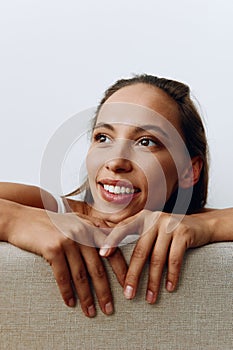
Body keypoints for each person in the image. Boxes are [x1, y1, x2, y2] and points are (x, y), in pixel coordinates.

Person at [0, 74, 232, 318]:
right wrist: (14, 219)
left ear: (188, 171)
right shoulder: (52, 208)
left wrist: (208, 225)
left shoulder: (191, 227)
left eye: (146, 142)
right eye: (103, 138)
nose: (116, 161)